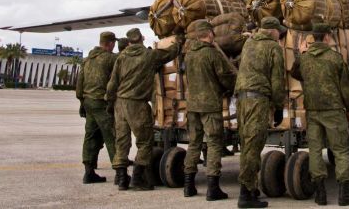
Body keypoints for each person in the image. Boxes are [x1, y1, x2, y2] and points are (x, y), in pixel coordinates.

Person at [290, 21, 349, 206]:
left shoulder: (305, 59)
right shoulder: (336, 58)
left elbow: (295, 73)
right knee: (341, 151)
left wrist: (301, 53)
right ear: (327, 37)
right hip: (334, 111)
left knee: (315, 151)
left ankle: (320, 195)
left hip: (313, 112)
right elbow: (346, 89)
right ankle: (344, 195)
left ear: (313, 37)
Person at [107, 27, 182, 191]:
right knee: (145, 142)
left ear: (129, 41)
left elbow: (112, 83)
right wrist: (179, 41)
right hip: (137, 104)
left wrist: (110, 103)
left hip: (120, 103)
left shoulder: (121, 57)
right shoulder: (149, 55)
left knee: (121, 142)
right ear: (141, 38)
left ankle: (121, 180)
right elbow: (169, 53)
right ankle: (137, 178)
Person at [183, 19, 237, 201]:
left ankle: (188, 185)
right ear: (209, 34)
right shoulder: (211, 54)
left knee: (194, 143)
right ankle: (212, 188)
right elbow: (224, 75)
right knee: (214, 143)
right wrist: (232, 87)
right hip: (210, 105)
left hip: (192, 105)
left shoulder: (189, 54)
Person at [234, 16, 285, 209]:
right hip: (257, 100)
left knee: (246, 143)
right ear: (272, 31)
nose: (279, 33)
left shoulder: (249, 43)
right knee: (253, 147)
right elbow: (278, 80)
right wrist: (279, 106)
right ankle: (245, 195)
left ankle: (251, 187)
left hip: (241, 99)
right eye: (278, 31)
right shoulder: (274, 48)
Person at [75, 31, 118, 184]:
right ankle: (120, 174)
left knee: (90, 136)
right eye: (114, 43)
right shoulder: (111, 58)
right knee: (112, 136)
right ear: (111, 43)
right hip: (102, 103)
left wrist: (82, 102)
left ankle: (89, 172)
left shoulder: (87, 60)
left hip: (88, 102)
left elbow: (79, 84)